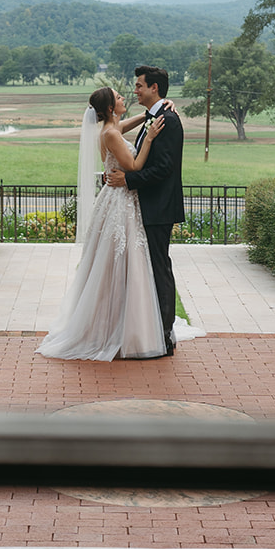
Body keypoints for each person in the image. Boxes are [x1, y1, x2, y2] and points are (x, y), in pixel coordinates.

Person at [35, 86, 171, 361]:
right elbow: (133, 166)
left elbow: (126, 124)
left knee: (112, 261)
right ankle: (120, 328)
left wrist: (150, 116)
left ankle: (115, 322)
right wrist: (150, 138)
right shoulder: (111, 133)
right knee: (121, 261)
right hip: (120, 201)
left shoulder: (110, 129)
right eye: (119, 98)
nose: (124, 99)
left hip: (113, 200)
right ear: (110, 108)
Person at [104, 65, 184, 355]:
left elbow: (164, 168)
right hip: (145, 206)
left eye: (139, 86)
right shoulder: (154, 117)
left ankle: (163, 335)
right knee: (151, 270)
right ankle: (153, 329)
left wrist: (128, 180)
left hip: (159, 207)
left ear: (154, 88)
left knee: (160, 269)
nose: (135, 90)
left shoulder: (168, 121)